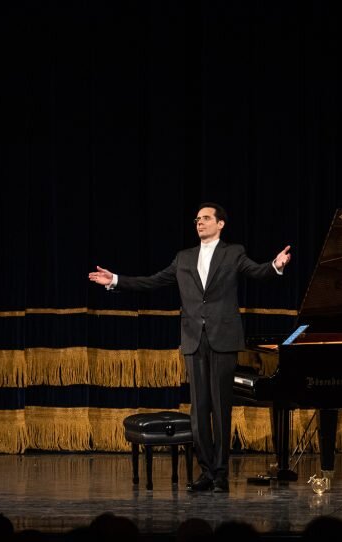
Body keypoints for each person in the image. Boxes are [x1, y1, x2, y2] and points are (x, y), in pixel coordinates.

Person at [89, 202, 290, 492]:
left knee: (221, 408)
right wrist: (115, 280)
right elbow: (153, 281)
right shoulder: (183, 258)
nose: (200, 222)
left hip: (222, 338)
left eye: (206, 218)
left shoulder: (233, 252)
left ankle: (221, 474)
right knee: (199, 410)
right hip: (194, 339)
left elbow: (258, 272)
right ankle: (207, 471)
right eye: (197, 219)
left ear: (220, 224)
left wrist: (275, 266)